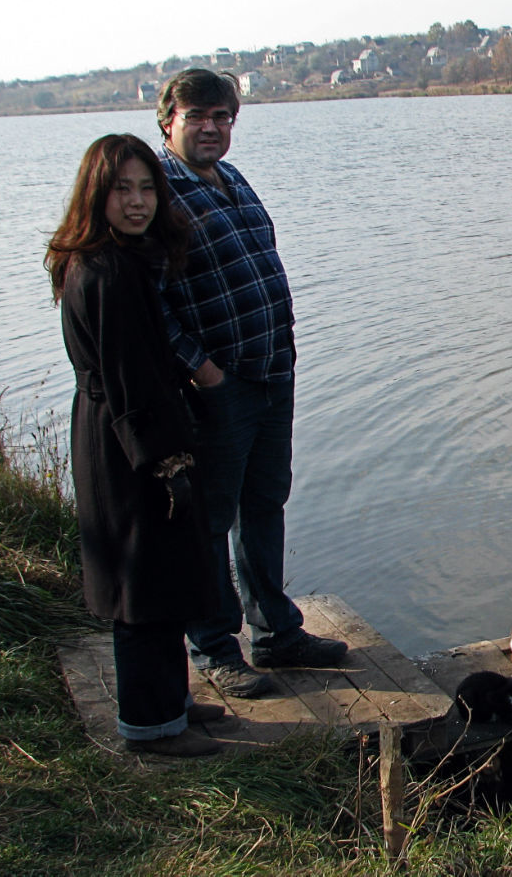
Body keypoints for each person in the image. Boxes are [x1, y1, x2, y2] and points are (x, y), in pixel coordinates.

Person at [155, 68, 346, 698]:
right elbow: (153, 305)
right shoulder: (156, 191)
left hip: (270, 374)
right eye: (197, 116)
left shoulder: (229, 178)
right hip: (220, 387)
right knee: (211, 519)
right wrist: (201, 369)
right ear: (168, 122)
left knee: (265, 505)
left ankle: (276, 634)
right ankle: (214, 647)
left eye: (223, 117)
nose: (212, 127)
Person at [47, 133, 226, 756]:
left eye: (147, 187)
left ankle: (170, 701)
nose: (137, 201)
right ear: (97, 194)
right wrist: (166, 461)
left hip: (127, 433)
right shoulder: (106, 271)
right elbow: (129, 380)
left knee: (165, 575)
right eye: (122, 188)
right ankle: (150, 729)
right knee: (142, 587)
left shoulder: (118, 259)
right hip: (127, 445)